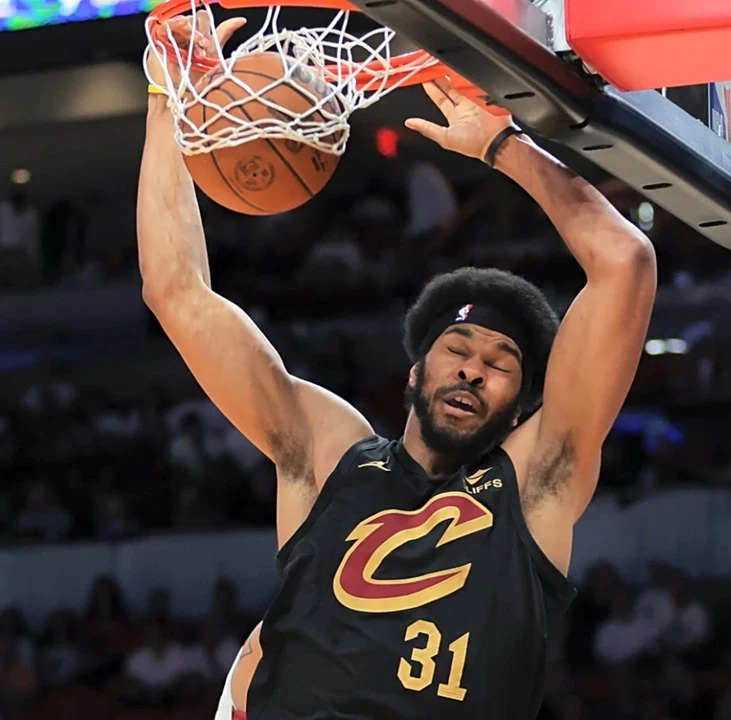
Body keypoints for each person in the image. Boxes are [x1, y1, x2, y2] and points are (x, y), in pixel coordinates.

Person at [141, 14, 656, 720]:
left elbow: (625, 262)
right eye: (458, 350)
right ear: (414, 374)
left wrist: (504, 146)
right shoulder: (332, 456)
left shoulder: (537, 484)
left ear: (520, 408)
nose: (472, 370)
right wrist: (169, 95)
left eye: (499, 364)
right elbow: (176, 292)